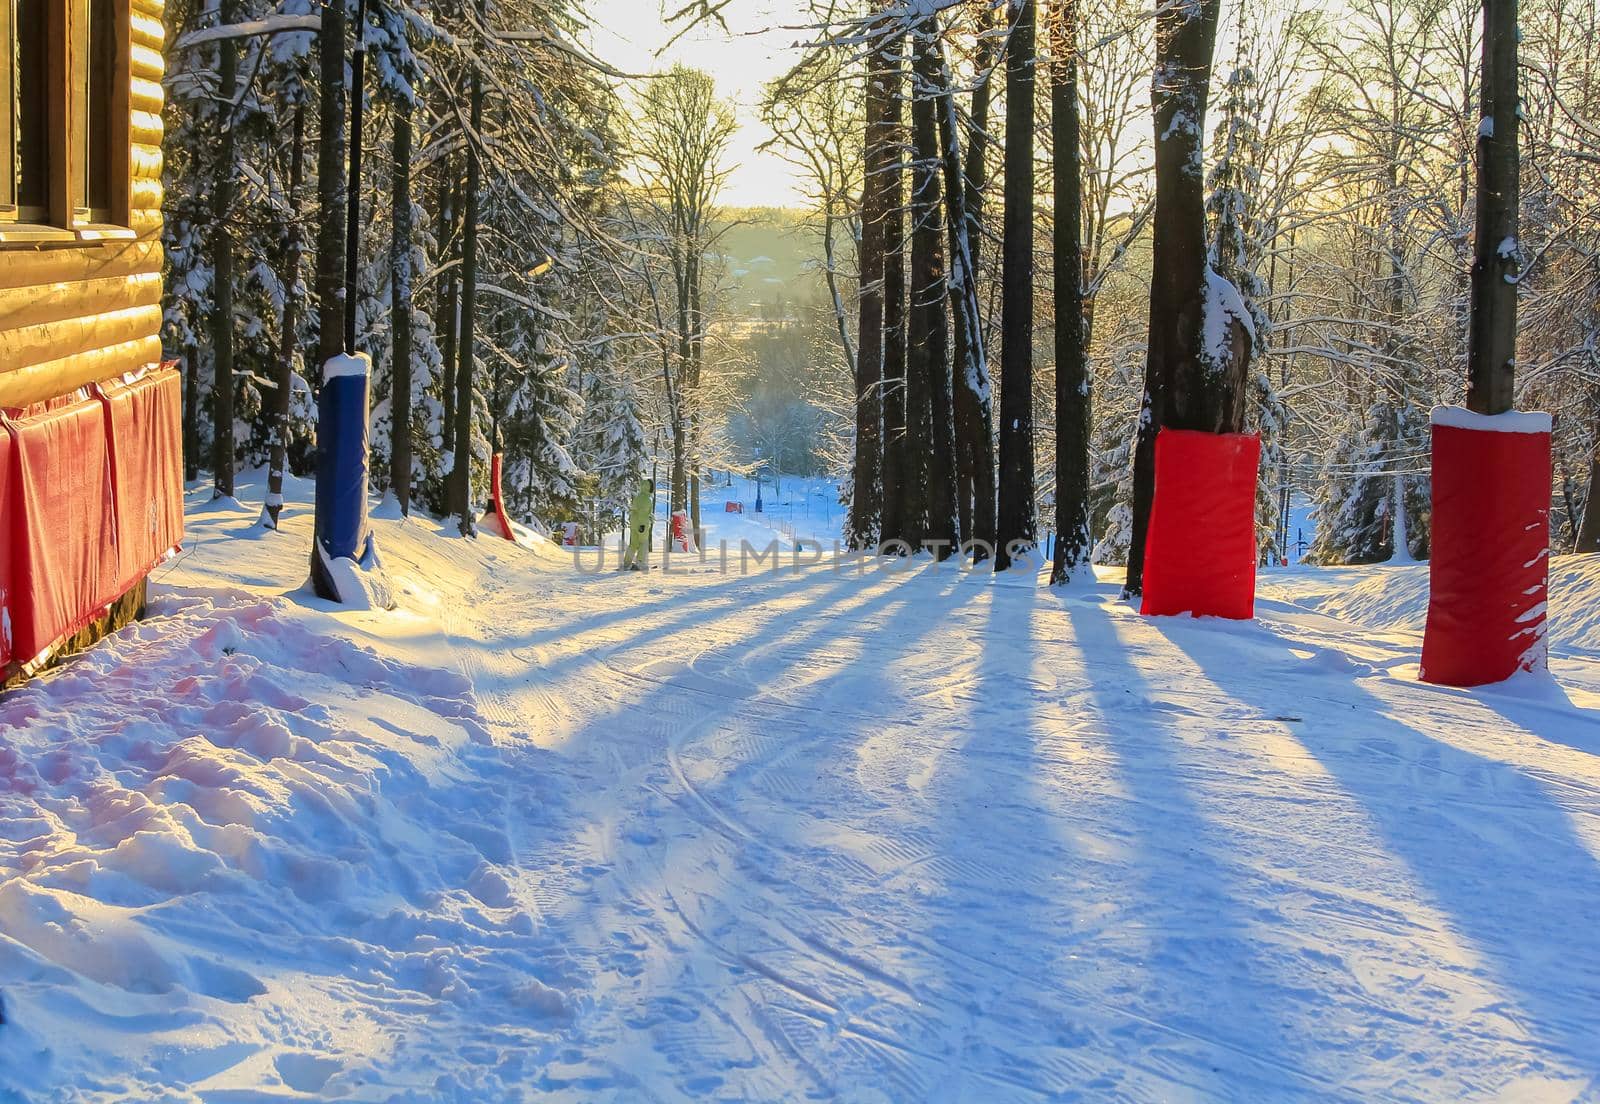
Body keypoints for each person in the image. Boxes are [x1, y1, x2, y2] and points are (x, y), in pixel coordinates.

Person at [620, 478, 655, 571]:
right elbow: (643, 513)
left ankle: (626, 563)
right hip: (641, 523)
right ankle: (640, 562)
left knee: (633, 543)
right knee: (643, 542)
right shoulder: (647, 499)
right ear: (649, 487)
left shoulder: (638, 497)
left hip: (634, 523)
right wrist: (643, 524)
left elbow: (634, 510)